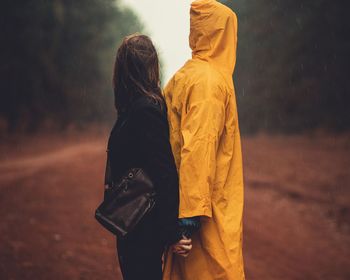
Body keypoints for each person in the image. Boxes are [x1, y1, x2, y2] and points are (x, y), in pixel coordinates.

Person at [163, 0, 245, 279]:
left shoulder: (183, 77)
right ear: (221, 34)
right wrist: (187, 221)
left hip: (189, 202)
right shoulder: (209, 83)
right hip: (205, 216)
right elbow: (198, 147)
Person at [107, 34, 191, 280]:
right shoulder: (133, 107)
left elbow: (164, 173)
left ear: (122, 68)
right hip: (132, 222)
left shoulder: (145, 110)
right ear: (150, 67)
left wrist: (172, 232)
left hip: (143, 225)